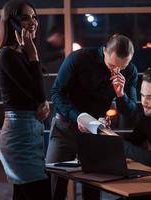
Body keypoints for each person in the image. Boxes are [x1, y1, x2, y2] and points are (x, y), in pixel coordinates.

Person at [46, 34, 138, 200]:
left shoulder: (130, 71)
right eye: (112, 65)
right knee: (54, 185)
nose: (115, 71)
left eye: (121, 68)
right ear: (104, 51)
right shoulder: (79, 59)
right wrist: (78, 117)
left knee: (93, 187)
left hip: (95, 131)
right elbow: (56, 93)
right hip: (65, 127)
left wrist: (120, 94)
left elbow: (130, 112)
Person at [0, 0, 51, 199]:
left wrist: (43, 103)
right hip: (18, 136)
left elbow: (39, 94)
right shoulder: (7, 54)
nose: (32, 22)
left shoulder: (21, 53)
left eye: (34, 17)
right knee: (38, 192)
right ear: (12, 22)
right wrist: (33, 54)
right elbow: (37, 93)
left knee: (26, 194)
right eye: (25, 18)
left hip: (32, 131)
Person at [101, 67, 151, 168]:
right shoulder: (148, 119)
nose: (144, 102)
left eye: (150, 97)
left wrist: (117, 140)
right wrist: (107, 132)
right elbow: (131, 144)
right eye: (142, 95)